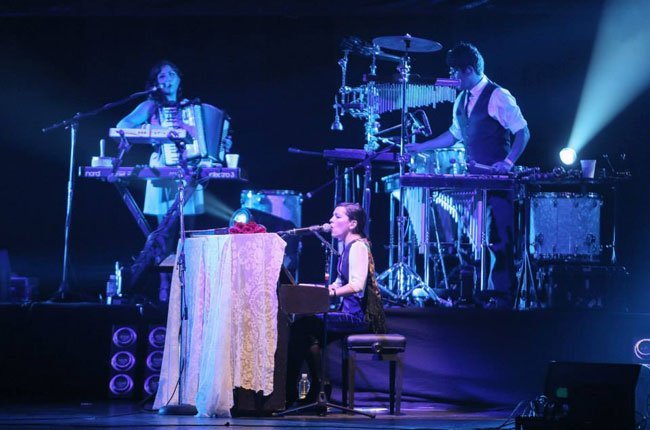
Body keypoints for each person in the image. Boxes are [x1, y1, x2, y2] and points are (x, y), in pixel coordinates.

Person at [406, 42, 531, 308]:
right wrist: (421, 147)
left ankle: (503, 301)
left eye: (454, 72)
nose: (451, 77)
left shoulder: (498, 95)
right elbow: (454, 135)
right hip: (472, 181)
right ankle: (472, 297)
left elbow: (523, 132)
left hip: (496, 183)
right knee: (471, 242)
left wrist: (508, 162)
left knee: (499, 240)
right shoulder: (461, 100)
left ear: (469, 70)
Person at [285, 202, 386, 406]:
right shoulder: (347, 247)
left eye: (337, 216)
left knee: (302, 327)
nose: (331, 220)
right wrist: (310, 288)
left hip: (359, 318)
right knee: (305, 330)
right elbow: (339, 283)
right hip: (349, 314)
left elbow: (356, 285)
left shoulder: (358, 247)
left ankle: (309, 389)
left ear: (353, 224)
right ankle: (316, 389)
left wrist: (328, 293)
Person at [117, 60, 205, 220]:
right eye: (162, 76)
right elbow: (123, 125)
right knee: (165, 225)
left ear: (179, 79)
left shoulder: (190, 107)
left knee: (188, 226)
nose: (168, 79)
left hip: (189, 168)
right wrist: (150, 130)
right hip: (162, 165)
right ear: (156, 82)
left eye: (172, 74)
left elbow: (203, 137)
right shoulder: (151, 105)